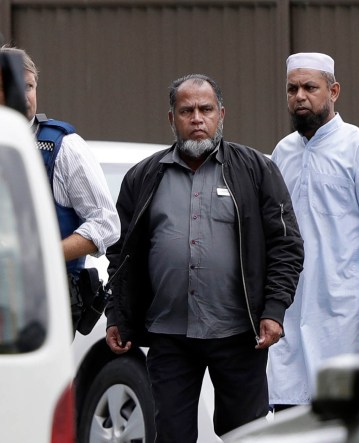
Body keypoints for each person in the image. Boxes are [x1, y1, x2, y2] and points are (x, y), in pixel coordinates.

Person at [104, 74, 304, 441]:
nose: (197, 118)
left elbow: (286, 244)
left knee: (245, 434)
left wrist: (274, 310)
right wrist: (117, 314)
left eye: (206, 109)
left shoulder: (255, 170)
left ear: (221, 114)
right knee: (172, 434)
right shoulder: (143, 177)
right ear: (172, 119)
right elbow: (120, 253)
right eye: (187, 110)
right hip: (168, 335)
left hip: (240, 333)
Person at [268, 52, 359, 409]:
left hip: (347, 314)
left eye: (310, 87)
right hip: (292, 311)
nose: (300, 96)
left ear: (334, 91)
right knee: (289, 413)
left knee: (344, 413)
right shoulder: (282, 153)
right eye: (292, 88)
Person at [0, 45, 119, 330]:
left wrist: (42, 253)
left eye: (29, 86)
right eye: (14, 86)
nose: (24, 95)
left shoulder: (63, 147)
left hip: (43, 308)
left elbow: (106, 224)